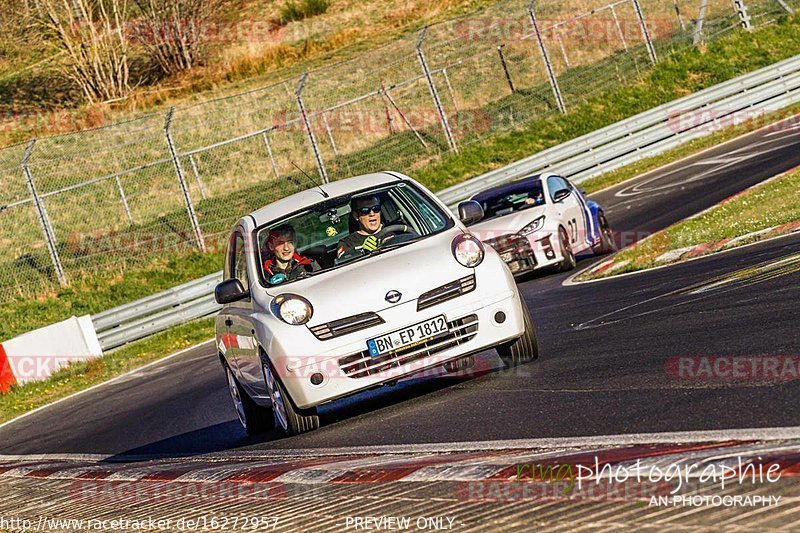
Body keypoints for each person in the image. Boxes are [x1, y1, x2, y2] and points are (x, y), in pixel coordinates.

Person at [336, 195, 385, 259]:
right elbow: (342, 257)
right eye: (365, 210)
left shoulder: (396, 228)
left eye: (376, 208)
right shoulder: (347, 242)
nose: (372, 214)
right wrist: (362, 251)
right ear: (355, 215)